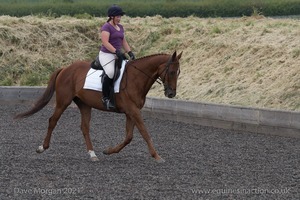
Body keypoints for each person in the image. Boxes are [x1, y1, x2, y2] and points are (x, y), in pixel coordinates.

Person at [98, 4, 135, 110]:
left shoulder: (121, 27)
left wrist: (130, 52)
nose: (119, 19)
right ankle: (105, 98)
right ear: (112, 17)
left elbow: (123, 41)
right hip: (107, 54)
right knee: (110, 72)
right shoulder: (106, 27)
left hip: (118, 54)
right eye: (118, 17)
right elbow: (105, 42)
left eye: (120, 17)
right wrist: (116, 51)